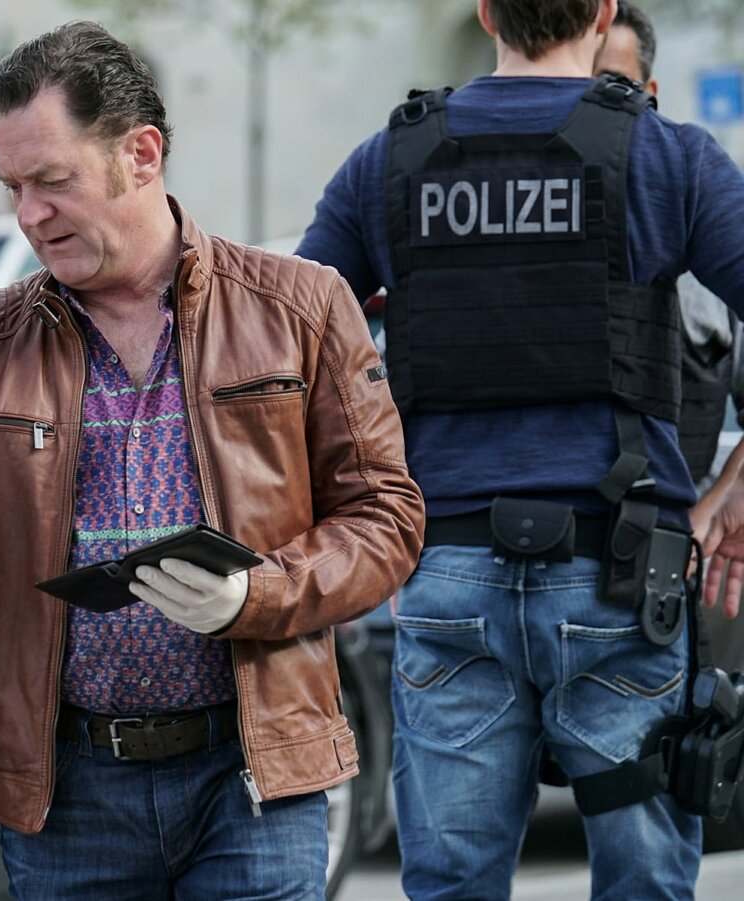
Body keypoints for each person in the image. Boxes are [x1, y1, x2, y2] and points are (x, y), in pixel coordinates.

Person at [0, 20, 424, 899]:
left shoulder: (301, 305)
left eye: (52, 181)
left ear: (142, 154)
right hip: (68, 794)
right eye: (13, 187)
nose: (27, 215)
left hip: (252, 779)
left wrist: (259, 593)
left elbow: (386, 517)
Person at [294, 1, 744, 897]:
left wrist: (356, 513)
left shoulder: (392, 159)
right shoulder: (668, 155)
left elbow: (282, 354)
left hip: (447, 574)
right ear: (605, 11)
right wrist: (736, 480)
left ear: (486, 11)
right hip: (622, 576)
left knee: (453, 883)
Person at [595, 3, 744, 495]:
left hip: (678, 526)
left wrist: (720, 502)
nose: (592, 104)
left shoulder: (703, 224)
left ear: (650, 95)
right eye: (580, 82)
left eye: (613, 84)